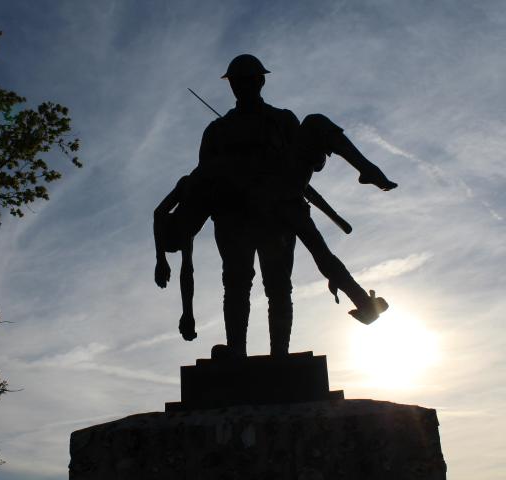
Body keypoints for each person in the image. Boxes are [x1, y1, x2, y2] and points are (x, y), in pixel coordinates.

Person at [196, 54, 396, 358]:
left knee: (278, 287)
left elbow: (312, 163)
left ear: (260, 82)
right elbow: (204, 177)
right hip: (237, 215)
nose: (243, 86)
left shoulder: (282, 119)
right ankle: (237, 351)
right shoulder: (217, 130)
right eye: (238, 82)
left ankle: (280, 356)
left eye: (248, 80)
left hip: (280, 207)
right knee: (237, 285)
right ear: (232, 85)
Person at [153, 174, 209, 341]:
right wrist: (160, 258)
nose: (180, 249)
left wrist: (160, 259)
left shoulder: (184, 230)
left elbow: (187, 271)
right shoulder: (185, 185)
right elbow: (158, 213)